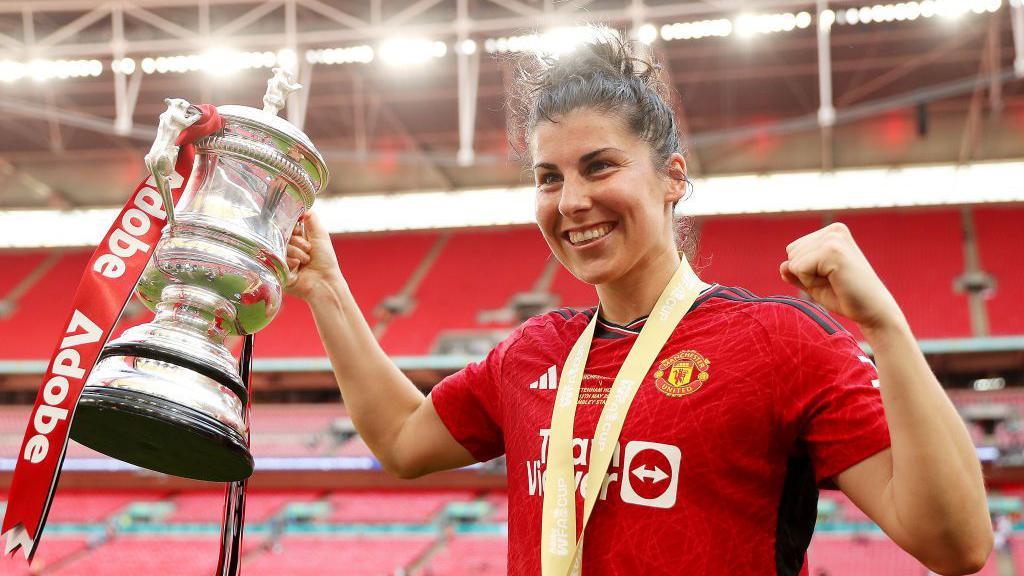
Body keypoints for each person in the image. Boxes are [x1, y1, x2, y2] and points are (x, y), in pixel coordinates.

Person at [284, 31, 992, 575]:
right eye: (549, 177)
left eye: (599, 167)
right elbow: (403, 441)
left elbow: (954, 543)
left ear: (672, 177)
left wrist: (885, 328)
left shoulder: (779, 341)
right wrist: (325, 285)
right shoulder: (532, 352)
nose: (573, 201)